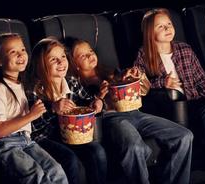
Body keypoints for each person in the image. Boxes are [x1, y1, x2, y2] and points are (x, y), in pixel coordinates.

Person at [66, 38, 194, 184]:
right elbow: (81, 114)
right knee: (134, 147)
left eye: (90, 51)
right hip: (112, 119)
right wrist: (99, 97)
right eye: (83, 56)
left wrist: (134, 77)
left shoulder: (111, 71)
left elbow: (143, 90)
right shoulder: (77, 84)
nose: (90, 56)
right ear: (75, 64)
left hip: (135, 113)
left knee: (184, 136)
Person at [134, 8, 205, 183]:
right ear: (149, 33)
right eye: (161, 26)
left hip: (195, 98)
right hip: (173, 107)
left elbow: (202, 80)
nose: (167, 28)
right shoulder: (143, 55)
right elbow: (139, 88)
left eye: (169, 24)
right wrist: (162, 83)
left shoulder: (185, 49)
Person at [0, 33, 68, 184]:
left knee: (56, 171)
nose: (20, 54)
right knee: (36, 176)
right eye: (13, 52)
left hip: (27, 140)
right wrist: (31, 115)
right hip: (7, 144)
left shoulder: (22, 85)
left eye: (23, 50)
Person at [26, 36, 107, 184]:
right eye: (53, 59)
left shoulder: (71, 82)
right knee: (70, 160)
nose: (61, 61)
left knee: (98, 152)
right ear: (41, 65)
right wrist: (52, 108)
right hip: (44, 138)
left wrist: (98, 103)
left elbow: (88, 101)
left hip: (72, 134)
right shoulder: (35, 89)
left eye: (63, 56)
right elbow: (32, 126)